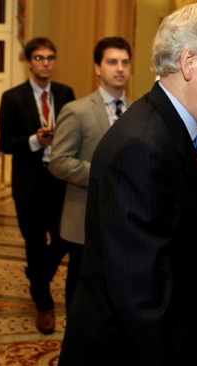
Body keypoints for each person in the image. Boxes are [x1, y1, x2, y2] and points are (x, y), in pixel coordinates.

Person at [55, 3, 197, 366]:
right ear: (190, 62)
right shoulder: (142, 146)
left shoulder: (183, 128)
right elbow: (141, 297)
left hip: (160, 351)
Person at [48, 36, 132, 313]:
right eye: (112, 62)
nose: (119, 68)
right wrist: (105, 174)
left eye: (124, 62)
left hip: (126, 223)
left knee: (117, 293)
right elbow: (58, 162)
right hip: (84, 218)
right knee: (81, 296)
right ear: (97, 68)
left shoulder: (137, 112)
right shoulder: (77, 110)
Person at [0, 37, 75, 335]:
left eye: (50, 58)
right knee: (33, 242)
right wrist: (34, 140)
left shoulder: (65, 93)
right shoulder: (12, 97)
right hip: (28, 182)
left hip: (59, 179)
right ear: (29, 62)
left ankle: (37, 275)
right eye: (40, 58)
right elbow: (5, 143)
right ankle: (44, 304)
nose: (46, 63)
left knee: (64, 237)